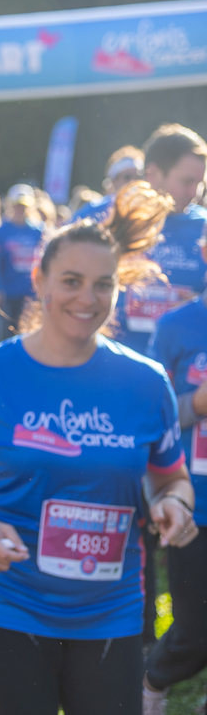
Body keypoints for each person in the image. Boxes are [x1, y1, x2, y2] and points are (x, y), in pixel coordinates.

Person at [0, 181, 196, 715]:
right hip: (3, 602)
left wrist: (174, 504)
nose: (87, 299)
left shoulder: (145, 382)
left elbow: (170, 476)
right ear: (40, 280)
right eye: (71, 281)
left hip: (110, 608)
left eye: (102, 284)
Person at [143, 231, 207, 714]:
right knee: (193, 630)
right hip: (195, 502)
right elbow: (153, 415)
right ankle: (150, 680)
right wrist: (197, 404)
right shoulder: (177, 326)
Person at [112, 125, 207, 355]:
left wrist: (200, 305)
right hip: (122, 365)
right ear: (153, 173)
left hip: (188, 376)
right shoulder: (116, 223)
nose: (194, 192)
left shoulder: (204, 227)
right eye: (186, 181)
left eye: (200, 183)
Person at [0, 184, 45, 337]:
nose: (20, 209)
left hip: (30, 292)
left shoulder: (39, 231)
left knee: (29, 332)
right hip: (7, 293)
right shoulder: (0, 231)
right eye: (17, 205)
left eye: (24, 206)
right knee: (7, 333)